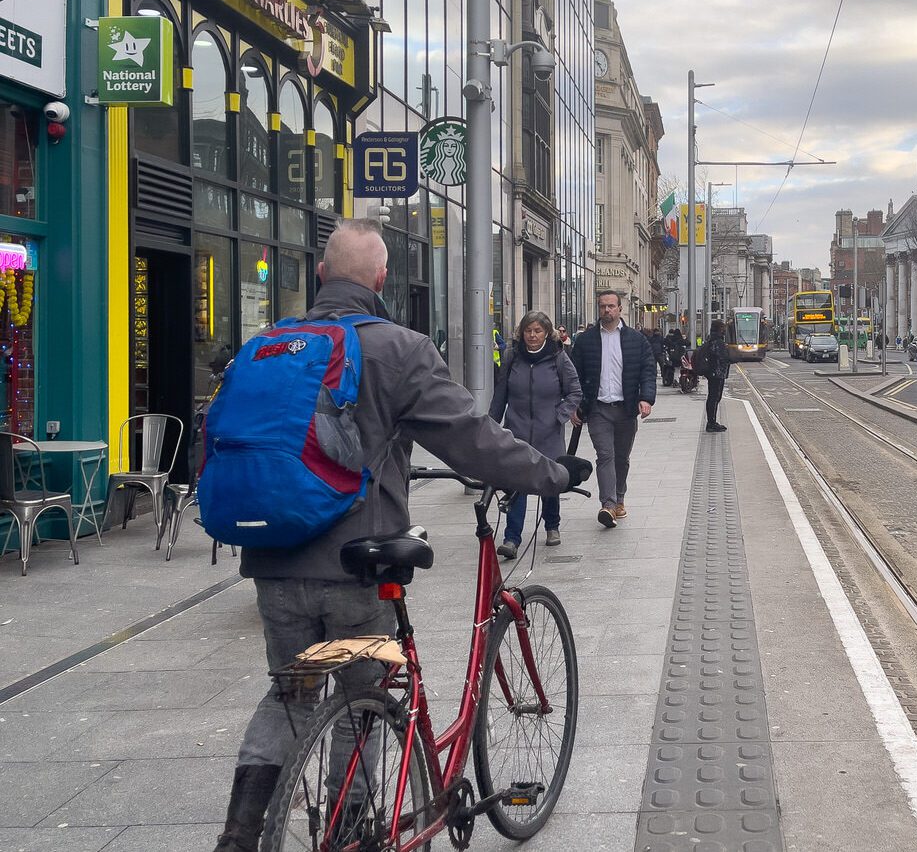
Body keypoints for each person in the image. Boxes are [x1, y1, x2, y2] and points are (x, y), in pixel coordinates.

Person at [211, 219, 584, 852]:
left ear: (322, 274)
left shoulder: (271, 342)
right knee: (364, 703)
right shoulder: (396, 347)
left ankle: (242, 836)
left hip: (272, 562)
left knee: (291, 695)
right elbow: (473, 439)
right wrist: (550, 473)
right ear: (381, 280)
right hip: (355, 567)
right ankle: (351, 834)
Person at [490, 310, 582, 555]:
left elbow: (574, 391)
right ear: (522, 332)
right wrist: (491, 424)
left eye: (537, 331)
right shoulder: (511, 356)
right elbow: (501, 394)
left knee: (549, 481)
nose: (532, 335)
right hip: (517, 430)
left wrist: (559, 415)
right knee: (517, 483)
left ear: (546, 333)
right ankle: (512, 539)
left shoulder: (558, 358)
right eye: (528, 331)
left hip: (548, 432)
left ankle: (552, 526)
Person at [570, 289, 656, 528]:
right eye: (602, 306)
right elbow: (574, 375)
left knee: (621, 458)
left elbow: (647, 371)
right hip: (598, 409)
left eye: (610, 306)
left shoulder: (636, 340)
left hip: (626, 408)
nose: (606, 310)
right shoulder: (585, 340)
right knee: (605, 455)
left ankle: (619, 498)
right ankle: (607, 505)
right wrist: (574, 404)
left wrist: (646, 398)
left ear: (620, 309)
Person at [696, 320, 732, 432]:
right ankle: (711, 423)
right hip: (717, 373)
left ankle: (711, 422)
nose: (724, 330)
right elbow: (724, 358)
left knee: (713, 397)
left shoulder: (711, 339)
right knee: (714, 397)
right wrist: (736, 358)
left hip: (713, 373)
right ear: (720, 329)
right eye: (723, 328)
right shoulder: (718, 342)